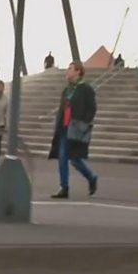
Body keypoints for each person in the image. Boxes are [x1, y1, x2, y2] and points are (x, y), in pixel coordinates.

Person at [48, 61, 98, 199]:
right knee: (62, 158)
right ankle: (64, 187)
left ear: (78, 72)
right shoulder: (66, 90)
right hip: (64, 128)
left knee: (75, 160)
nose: (67, 71)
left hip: (76, 128)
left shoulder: (85, 89)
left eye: (70, 68)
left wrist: (84, 123)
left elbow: (91, 108)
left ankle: (91, 177)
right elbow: (62, 108)